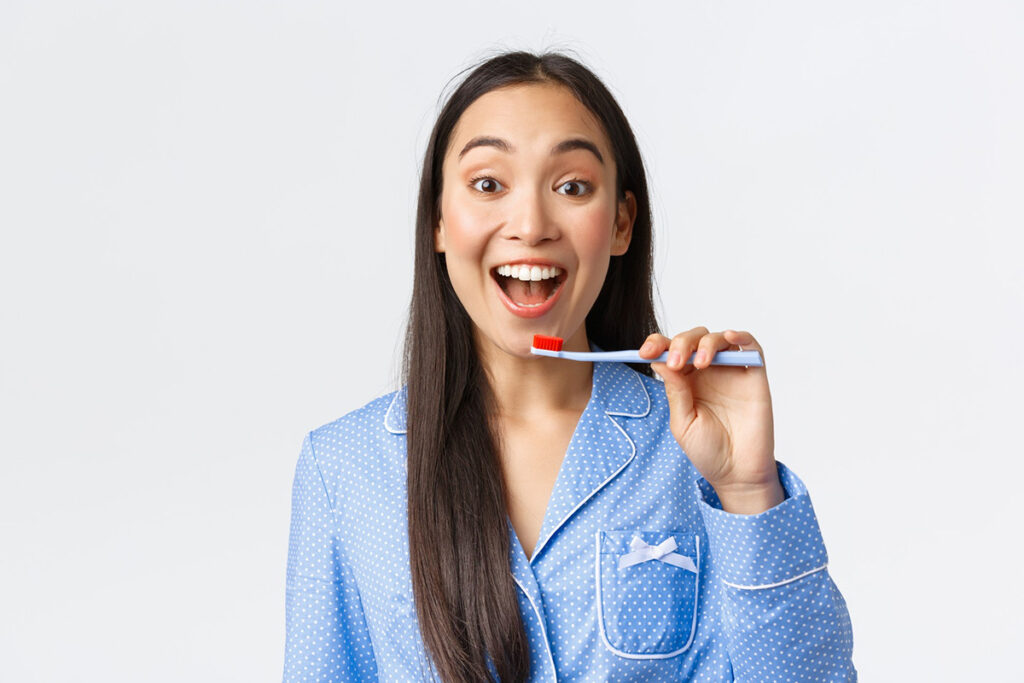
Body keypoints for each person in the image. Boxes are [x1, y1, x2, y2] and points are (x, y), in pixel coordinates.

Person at [283, 50, 857, 682]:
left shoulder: (695, 456)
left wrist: (748, 492)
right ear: (439, 221)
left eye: (572, 187)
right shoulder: (343, 469)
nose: (530, 225)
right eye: (488, 184)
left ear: (619, 223)